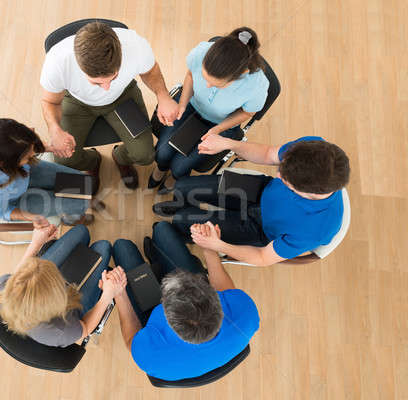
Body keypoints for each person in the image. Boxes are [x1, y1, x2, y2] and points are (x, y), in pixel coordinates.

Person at [154, 135, 351, 266]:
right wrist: (229, 143)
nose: (278, 174)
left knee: (183, 221)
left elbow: (263, 257)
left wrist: (218, 246)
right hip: (259, 190)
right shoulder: (312, 150)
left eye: (285, 180)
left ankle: (183, 231)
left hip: (258, 229)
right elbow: (267, 154)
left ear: (307, 192)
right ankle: (182, 204)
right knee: (182, 186)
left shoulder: (317, 229)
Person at [108, 221, 260, 381]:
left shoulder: (152, 356)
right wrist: (209, 249)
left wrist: (120, 294)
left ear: (165, 315)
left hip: (154, 326)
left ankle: (155, 257)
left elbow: (131, 339)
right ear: (215, 299)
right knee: (162, 229)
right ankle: (156, 255)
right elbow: (225, 291)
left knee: (122, 247)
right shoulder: (246, 314)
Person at [40, 21, 179, 189]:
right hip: (76, 102)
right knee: (65, 159)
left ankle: (119, 157)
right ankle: (93, 162)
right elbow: (50, 101)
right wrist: (54, 129)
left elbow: (150, 71)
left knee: (145, 155)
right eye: (96, 83)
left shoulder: (135, 45)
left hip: (122, 97)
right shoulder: (58, 61)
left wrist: (163, 96)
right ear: (79, 66)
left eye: (113, 77)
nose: (106, 88)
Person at [148, 27, 269, 194]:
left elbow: (248, 113)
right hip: (190, 105)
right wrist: (182, 104)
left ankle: (173, 178)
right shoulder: (202, 52)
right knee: (162, 152)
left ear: (241, 73)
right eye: (205, 78)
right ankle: (160, 169)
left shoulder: (256, 85)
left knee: (180, 166)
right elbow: (190, 75)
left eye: (215, 84)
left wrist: (218, 129)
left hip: (222, 123)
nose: (206, 86)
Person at [0, 224, 125, 347]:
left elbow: (21, 275)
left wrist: (36, 244)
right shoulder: (61, 330)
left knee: (81, 231)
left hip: (45, 300)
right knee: (103, 246)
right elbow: (86, 328)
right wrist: (107, 296)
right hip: (72, 313)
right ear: (57, 295)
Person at [0, 118, 96, 226]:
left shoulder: (8, 138)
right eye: (28, 156)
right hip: (17, 200)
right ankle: (72, 218)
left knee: (81, 182)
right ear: (8, 163)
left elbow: (29, 148)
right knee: (76, 204)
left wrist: (51, 147)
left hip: (25, 172)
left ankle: (82, 203)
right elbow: (1, 212)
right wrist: (32, 217)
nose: (34, 155)